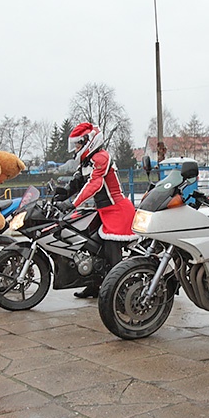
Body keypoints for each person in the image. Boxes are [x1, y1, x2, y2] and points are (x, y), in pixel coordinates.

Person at [54, 122, 138, 298]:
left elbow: (94, 184)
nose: (76, 148)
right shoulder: (86, 162)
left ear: (89, 141)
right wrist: (60, 194)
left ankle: (117, 290)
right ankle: (93, 285)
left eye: (78, 144)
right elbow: (77, 182)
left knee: (111, 251)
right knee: (90, 247)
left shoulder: (101, 157)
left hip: (117, 210)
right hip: (102, 211)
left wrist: (72, 203)